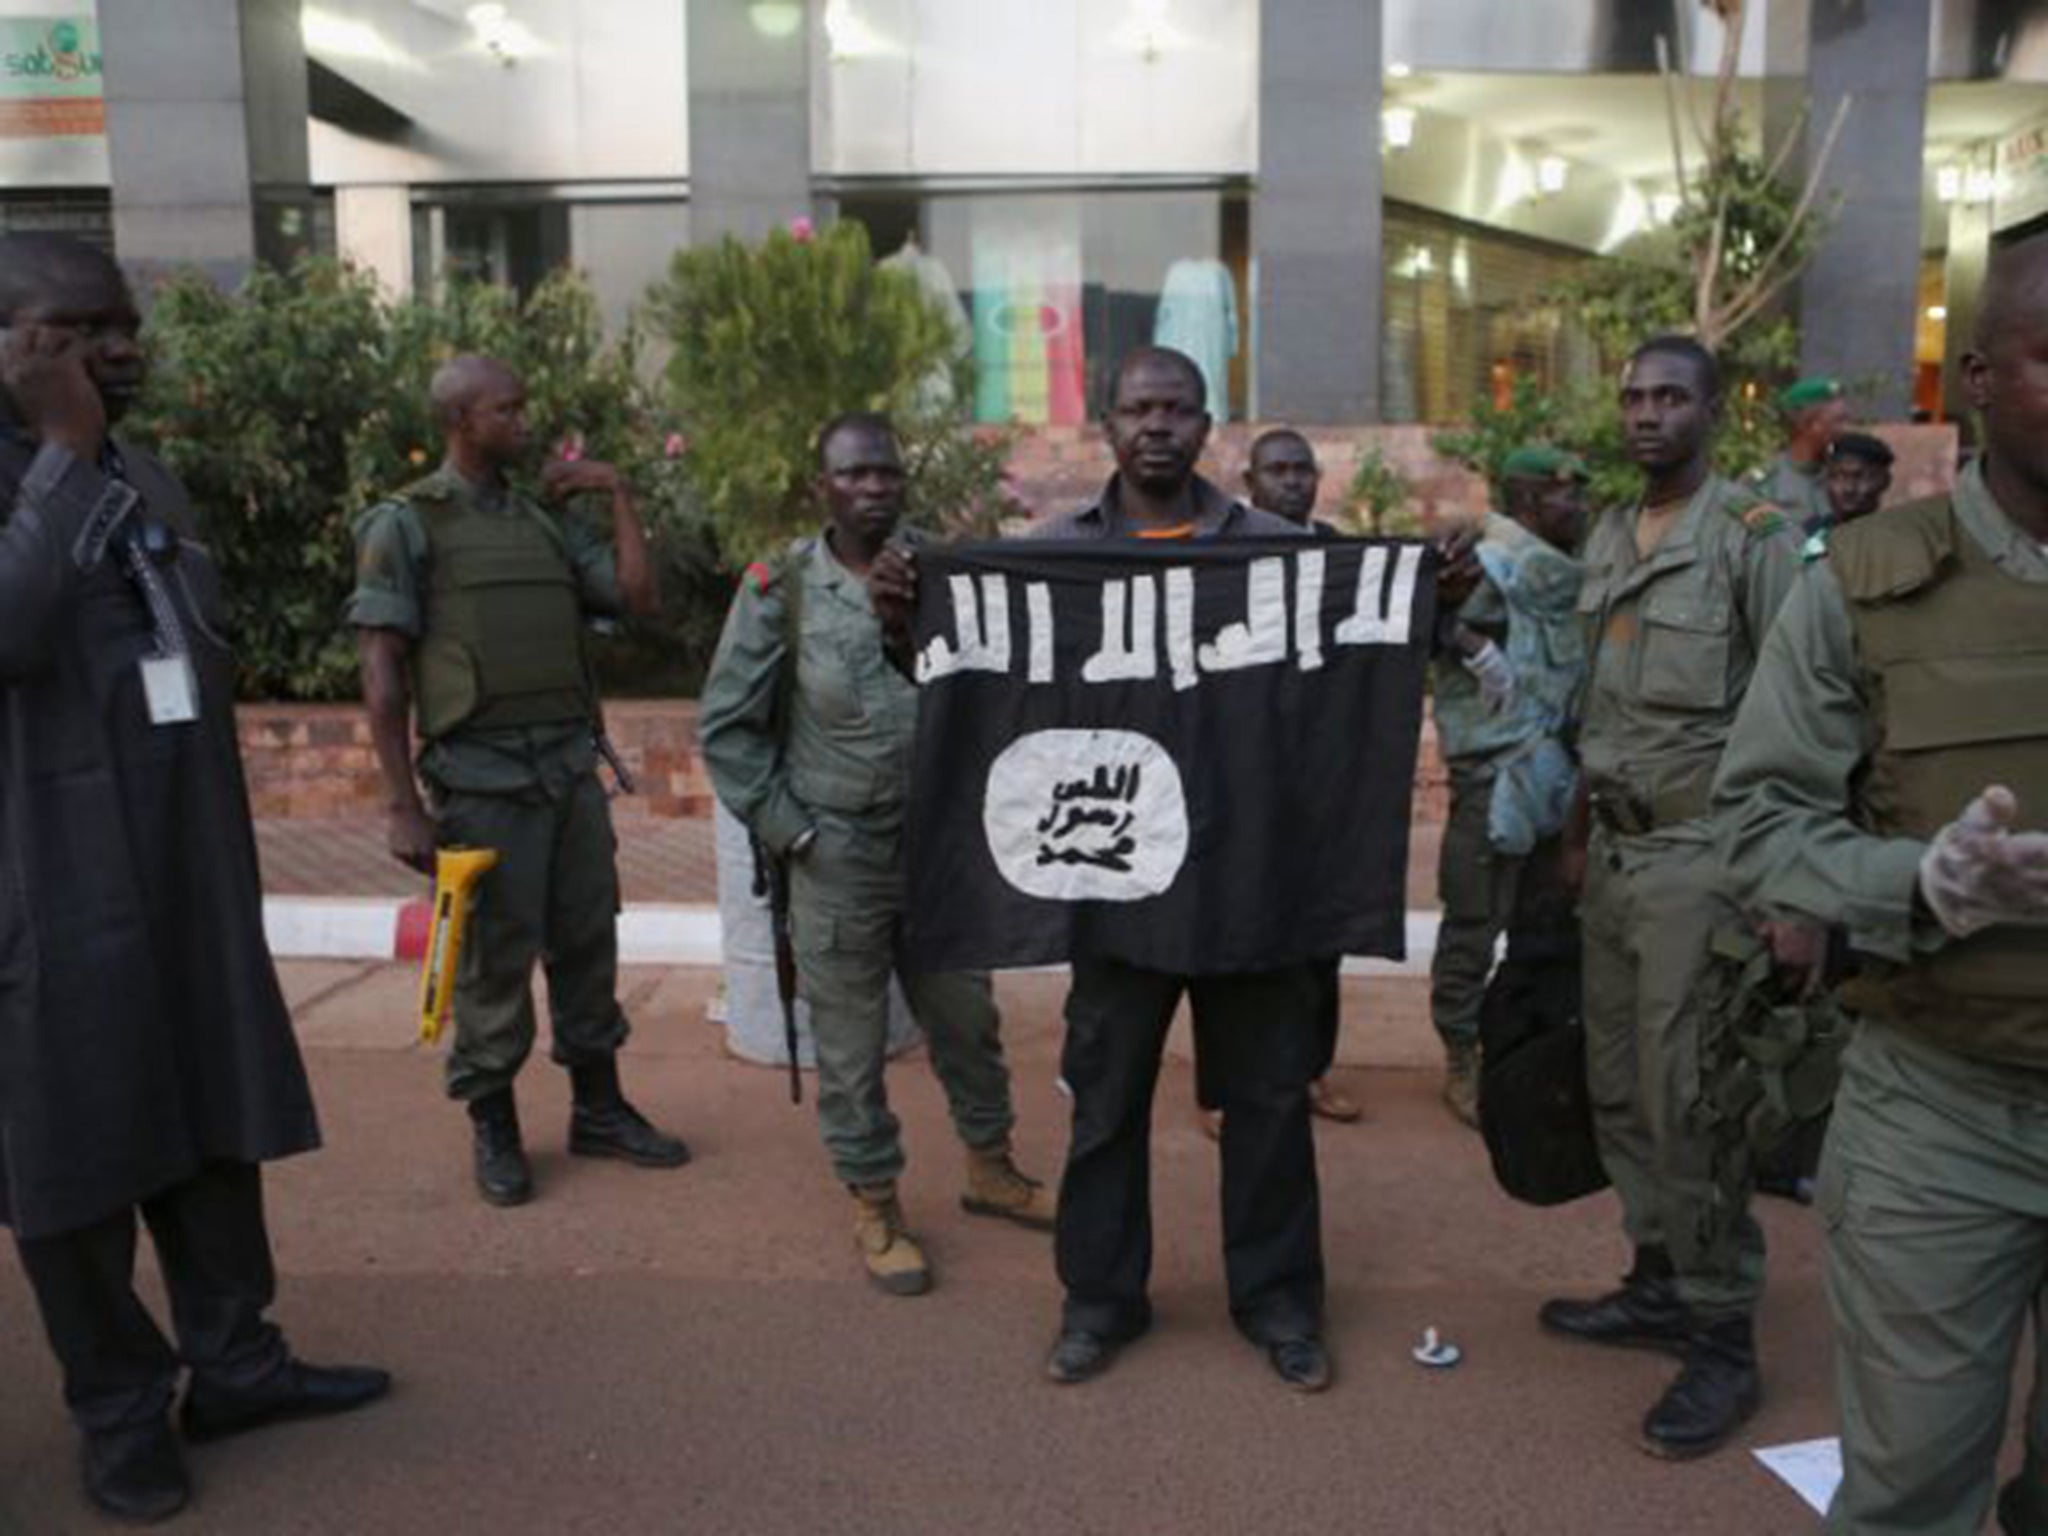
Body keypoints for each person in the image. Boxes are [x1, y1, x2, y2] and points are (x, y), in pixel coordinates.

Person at [871, 348, 1480, 1392]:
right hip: (1115, 889)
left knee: (1269, 1104)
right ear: (1107, 427)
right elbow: (968, 672)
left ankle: (1280, 1303)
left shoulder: (1281, 550)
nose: (1155, 425)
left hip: (1252, 882)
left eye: (1176, 409)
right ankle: (1099, 1301)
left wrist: (1433, 594)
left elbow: (1364, 657)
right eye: (1136, 408)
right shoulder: (1055, 554)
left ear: (1208, 428)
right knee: (1105, 1107)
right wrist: (902, 616)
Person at [0, 233, 388, 1524]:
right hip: (43, 886)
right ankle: (119, 1411)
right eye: (79, 328)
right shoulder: (46, 473)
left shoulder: (145, 476)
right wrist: (56, 451)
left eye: (126, 326)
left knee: (213, 1123)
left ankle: (237, 1364)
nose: (120, 350)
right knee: (76, 1152)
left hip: (182, 866)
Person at [1714, 236, 2048, 1535]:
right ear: (1976, 376)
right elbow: (1751, 824)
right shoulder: (1861, 582)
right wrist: (1922, 884)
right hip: (1941, 1117)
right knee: (1912, 1493)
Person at [697, 411, 1054, 1297]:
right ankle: (875, 1201)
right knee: (851, 1046)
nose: (873, 489)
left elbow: (996, 686)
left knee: (968, 1022)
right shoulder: (780, 586)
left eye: (886, 473)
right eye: (854, 474)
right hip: (837, 851)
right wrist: (795, 833)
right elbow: (728, 731)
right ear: (825, 485)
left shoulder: (943, 570)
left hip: (938, 849)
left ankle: (989, 1166)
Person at [1540, 336, 1801, 1460]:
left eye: (1668, 398)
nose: (1645, 415)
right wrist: (1576, 833)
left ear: (1712, 410)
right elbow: (1594, 706)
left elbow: (1811, 715)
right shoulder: (1607, 532)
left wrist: (1790, 887)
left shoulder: (1754, 540)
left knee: (1690, 1096)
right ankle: (1654, 1281)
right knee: (1617, 1088)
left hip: (1707, 858)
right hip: (1612, 858)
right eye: (1633, 396)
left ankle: (1721, 1340)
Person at [349, 355, 689, 1207]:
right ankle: (494, 1127)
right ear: (462, 420)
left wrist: (617, 494)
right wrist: (402, 805)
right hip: (480, 787)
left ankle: (599, 1110)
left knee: (587, 944)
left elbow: (640, 600)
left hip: (568, 776)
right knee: (494, 964)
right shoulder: (406, 525)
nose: (526, 423)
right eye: (509, 410)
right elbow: (383, 674)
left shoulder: (542, 523)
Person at [1429, 445, 1589, 1128]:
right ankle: (1462, 1056)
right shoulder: (1486, 560)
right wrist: (1468, 644)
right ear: (1529, 501)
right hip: (1494, 778)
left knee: (1541, 923)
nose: (1580, 507)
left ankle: (1519, 1048)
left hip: (1552, 774)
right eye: (1566, 495)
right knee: (1474, 924)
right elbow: (1417, 609)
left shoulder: (1552, 568)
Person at [1214, 425, 1361, 1129]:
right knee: (1228, 941)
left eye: (1303, 470)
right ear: (1251, 484)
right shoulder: (1220, 559)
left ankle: (1312, 1071)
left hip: (1320, 781)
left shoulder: (1344, 558)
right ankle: (1216, 1091)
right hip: (1240, 782)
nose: (1293, 482)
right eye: (1277, 471)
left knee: (1320, 940)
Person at [1751, 375, 1849, 534]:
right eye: (1838, 421)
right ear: (1809, 424)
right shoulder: (1765, 484)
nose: (1846, 429)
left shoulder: (1845, 476)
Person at [1820, 431, 1894, 531]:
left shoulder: (1894, 536)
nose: (1848, 489)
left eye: (1860, 477)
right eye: (1839, 476)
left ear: (1884, 481)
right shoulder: (1810, 534)